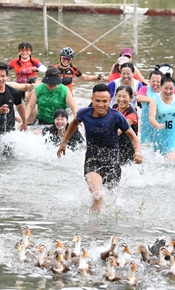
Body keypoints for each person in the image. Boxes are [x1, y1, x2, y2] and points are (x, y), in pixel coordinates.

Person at [57, 84, 142, 213]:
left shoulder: (117, 116)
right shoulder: (83, 113)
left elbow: (133, 137)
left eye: (105, 101)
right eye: (97, 101)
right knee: (98, 195)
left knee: (111, 202)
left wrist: (138, 152)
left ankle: (105, 227)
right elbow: (74, 123)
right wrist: (64, 142)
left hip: (112, 162)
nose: (101, 104)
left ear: (109, 101)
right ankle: (94, 227)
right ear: (92, 99)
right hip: (92, 160)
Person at [113, 85, 138, 165]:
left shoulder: (132, 114)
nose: (121, 99)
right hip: (116, 147)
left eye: (124, 96)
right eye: (119, 96)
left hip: (128, 150)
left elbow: (118, 131)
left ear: (131, 98)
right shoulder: (115, 108)